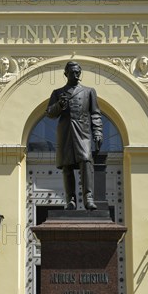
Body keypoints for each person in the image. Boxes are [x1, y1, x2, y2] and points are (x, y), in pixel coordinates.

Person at [46, 61, 103, 210]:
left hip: (83, 132)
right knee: (67, 166)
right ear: (66, 74)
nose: (76, 75)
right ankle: (70, 200)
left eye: (78, 72)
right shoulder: (57, 93)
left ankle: (88, 198)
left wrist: (97, 132)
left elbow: (95, 114)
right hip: (65, 132)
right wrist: (60, 104)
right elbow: (50, 113)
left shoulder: (89, 91)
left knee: (86, 161)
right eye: (73, 72)